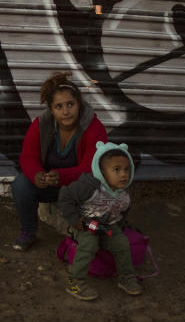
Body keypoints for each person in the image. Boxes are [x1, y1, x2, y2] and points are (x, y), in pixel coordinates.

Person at [11, 72, 107, 251]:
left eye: (70, 104)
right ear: (51, 109)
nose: (66, 111)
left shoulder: (93, 127)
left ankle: (90, 230)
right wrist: (37, 174)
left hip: (81, 188)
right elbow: (28, 156)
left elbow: (92, 167)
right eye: (59, 106)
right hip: (50, 184)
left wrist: (61, 176)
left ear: (79, 104)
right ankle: (28, 231)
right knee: (21, 185)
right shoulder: (41, 124)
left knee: (96, 184)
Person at [56, 141, 143, 300]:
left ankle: (126, 276)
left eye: (126, 169)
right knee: (89, 244)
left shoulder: (123, 193)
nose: (123, 174)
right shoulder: (88, 187)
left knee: (122, 243)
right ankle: (75, 281)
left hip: (107, 225)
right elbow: (65, 197)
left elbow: (123, 211)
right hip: (84, 224)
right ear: (101, 171)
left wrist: (119, 226)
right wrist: (75, 220)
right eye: (116, 170)